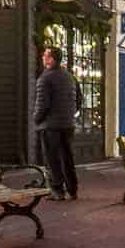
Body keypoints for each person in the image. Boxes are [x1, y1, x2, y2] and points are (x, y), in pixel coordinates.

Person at [33, 46, 81, 200]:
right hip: (68, 124)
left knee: (52, 159)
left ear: (51, 59)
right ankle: (73, 189)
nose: (42, 57)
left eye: (45, 55)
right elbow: (78, 99)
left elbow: (42, 104)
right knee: (67, 157)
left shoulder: (45, 78)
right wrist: (70, 114)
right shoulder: (70, 77)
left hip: (51, 126)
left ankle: (57, 190)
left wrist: (36, 118)